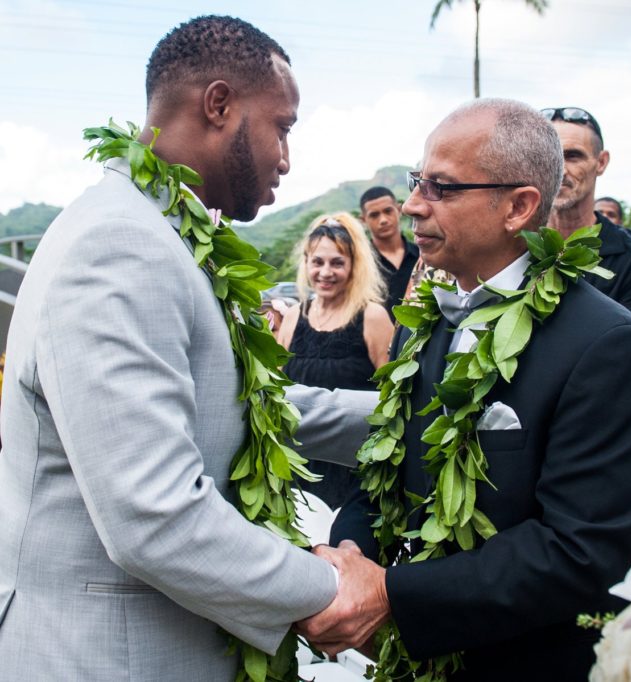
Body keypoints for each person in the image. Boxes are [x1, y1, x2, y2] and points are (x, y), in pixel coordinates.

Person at [0, 16, 375, 680]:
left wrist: (407, 418)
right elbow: (155, 514)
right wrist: (332, 586)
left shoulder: (166, 238)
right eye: (281, 128)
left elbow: (240, 402)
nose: (287, 157)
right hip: (106, 658)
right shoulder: (120, 245)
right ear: (219, 105)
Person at [310, 99, 631, 681]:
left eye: (442, 189)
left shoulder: (608, 346)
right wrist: (352, 559)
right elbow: (382, 475)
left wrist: (394, 594)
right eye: (417, 181)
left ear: (519, 206)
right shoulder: (423, 324)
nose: (412, 206)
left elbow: (579, 550)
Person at [276, 213, 394, 508]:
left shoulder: (373, 317)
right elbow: (274, 391)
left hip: (354, 474)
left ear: (354, 267)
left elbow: (395, 399)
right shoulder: (293, 317)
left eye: (337, 263)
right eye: (318, 262)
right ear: (306, 263)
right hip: (295, 471)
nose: (325, 272)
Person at [543, 106, 631, 343]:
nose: (559, 169)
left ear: (601, 162)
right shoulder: (508, 247)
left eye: (573, 156)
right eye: (548, 157)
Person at [360, 186, 419, 319]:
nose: (383, 220)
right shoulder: (360, 264)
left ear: (399, 210)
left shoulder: (424, 256)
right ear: (363, 220)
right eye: (374, 215)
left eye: (388, 211)